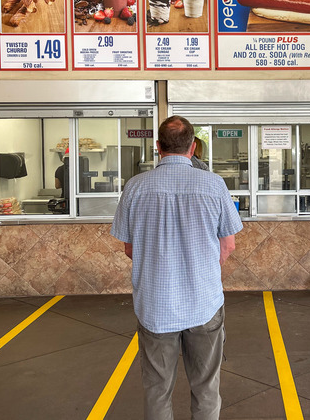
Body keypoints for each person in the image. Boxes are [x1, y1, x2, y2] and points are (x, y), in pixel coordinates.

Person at [111, 116, 243, 420]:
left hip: (156, 308)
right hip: (204, 304)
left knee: (157, 389)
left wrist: (161, 264)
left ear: (158, 147)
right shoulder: (214, 185)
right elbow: (229, 245)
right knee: (206, 388)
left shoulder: (135, 187)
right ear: (193, 147)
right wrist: (200, 268)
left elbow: (130, 248)